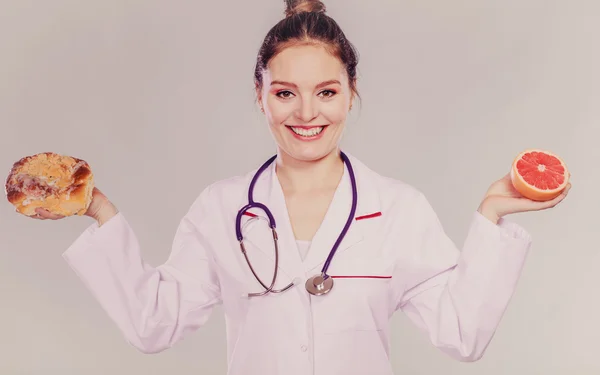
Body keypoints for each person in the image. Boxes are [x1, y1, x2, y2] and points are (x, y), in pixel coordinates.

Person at [34, 1, 571, 374]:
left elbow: (463, 335)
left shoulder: (398, 208)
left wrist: (492, 217)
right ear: (260, 94)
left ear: (351, 92)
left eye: (327, 91)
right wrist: (100, 211)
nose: (307, 113)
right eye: (286, 92)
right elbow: (154, 325)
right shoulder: (221, 208)